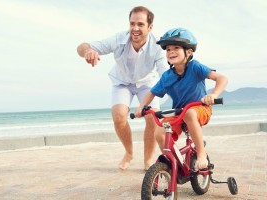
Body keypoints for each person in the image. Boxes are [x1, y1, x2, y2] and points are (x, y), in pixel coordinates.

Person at [77, 6, 168, 170]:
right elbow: (81, 46)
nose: (135, 28)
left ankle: (148, 160)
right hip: (122, 82)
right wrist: (88, 51)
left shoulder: (157, 46)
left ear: (150, 27)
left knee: (153, 118)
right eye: (132, 23)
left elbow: (165, 74)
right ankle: (129, 153)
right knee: (119, 116)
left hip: (146, 83)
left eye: (140, 24)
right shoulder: (119, 39)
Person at [134, 27, 228, 171]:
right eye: (168, 49)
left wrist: (213, 95)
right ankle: (173, 162)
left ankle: (202, 154)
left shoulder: (195, 67)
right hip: (179, 113)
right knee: (159, 132)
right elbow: (151, 93)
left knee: (190, 112)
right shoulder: (167, 76)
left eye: (176, 48)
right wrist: (141, 107)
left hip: (200, 109)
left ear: (189, 52)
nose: (171, 52)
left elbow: (222, 78)